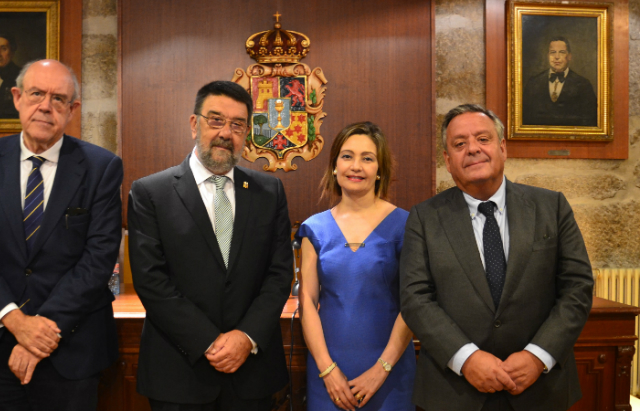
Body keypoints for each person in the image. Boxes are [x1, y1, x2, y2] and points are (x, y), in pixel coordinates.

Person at [0, 59, 123, 411]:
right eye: (36, 94)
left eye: (59, 98)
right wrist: (16, 321)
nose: (46, 106)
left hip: (69, 347)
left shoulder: (102, 167)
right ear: (16, 97)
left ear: (72, 110)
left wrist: (39, 333)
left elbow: (98, 259)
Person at [400, 104, 594, 411]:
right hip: (455, 392)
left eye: (483, 139)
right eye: (460, 144)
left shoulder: (551, 207)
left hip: (540, 390)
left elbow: (577, 288)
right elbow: (415, 298)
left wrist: (537, 355)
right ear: (448, 161)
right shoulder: (424, 218)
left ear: (502, 148)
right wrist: (466, 359)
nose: (473, 149)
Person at [127, 80, 294, 411]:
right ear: (194, 124)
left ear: (247, 133)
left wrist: (245, 337)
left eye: (237, 124)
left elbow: (278, 275)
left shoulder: (269, 192)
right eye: (215, 120)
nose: (225, 133)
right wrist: (209, 341)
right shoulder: (151, 193)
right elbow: (151, 281)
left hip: (251, 373)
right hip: (179, 371)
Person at [297, 122, 415, 411]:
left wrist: (381, 369)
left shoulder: (406, 225)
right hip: (328, 372)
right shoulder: (313, 228)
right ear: (334, 167)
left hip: (390, 369)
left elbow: (414, 303)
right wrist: (327, 370)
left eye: (367, 158)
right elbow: (308, 303)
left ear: (380, 170)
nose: (356, 166)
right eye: (347, 156)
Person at [522, 36, 597, 126]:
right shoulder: (533, 83)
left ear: (569, 56)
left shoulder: (583, 85)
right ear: (548, 56)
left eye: (562, 52)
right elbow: (525, 118)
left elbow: (590, 120)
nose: (556, 57)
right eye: (553, 52)